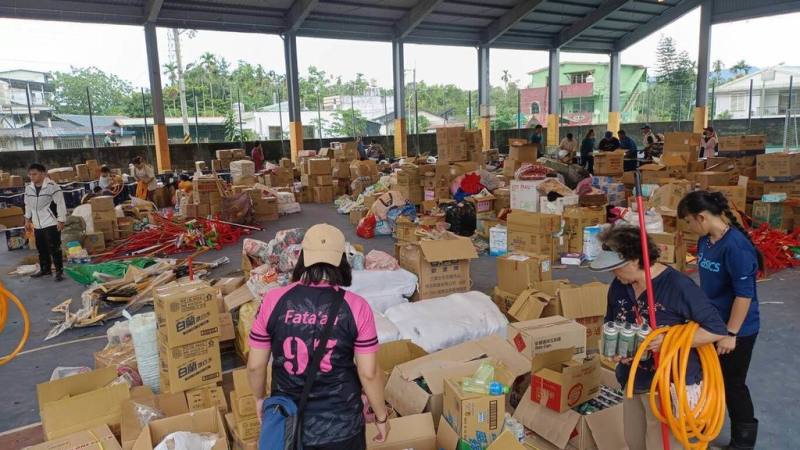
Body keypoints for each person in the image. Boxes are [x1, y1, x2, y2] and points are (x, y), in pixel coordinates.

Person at [247, 224, 390, 449]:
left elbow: (255, 366)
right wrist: (381, 416)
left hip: (289, 425)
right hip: (342, 427)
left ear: (303, 257)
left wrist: (259, 398)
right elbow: (369, 373)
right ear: (341, 259)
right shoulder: (356, 307)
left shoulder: (273, 300)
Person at [590, 225, 728, 450]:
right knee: (634, 441)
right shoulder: (619, 285)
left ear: (635, 260)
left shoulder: (677, 286)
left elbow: (716, 330)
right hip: (633, 380)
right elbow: (611, 321)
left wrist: (669, 341)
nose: (612, 274)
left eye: (616, 268)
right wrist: (618, 350)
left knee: (660, 445)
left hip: (668, 383)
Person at [677, 191, 762, 450]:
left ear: (701, 217)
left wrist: (731, 333)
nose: (689, 229)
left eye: (689, 223)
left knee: (732, 384)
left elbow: (744, 296)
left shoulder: (736, 247)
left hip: (738, 328)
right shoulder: (706, 241)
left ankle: (743, 441)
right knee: (705, 376)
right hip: (711, 322)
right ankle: (704, 421)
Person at [24, 163, 67, 282]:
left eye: (35, 174)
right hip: (37, 224)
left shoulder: (52, 186)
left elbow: (60, 203)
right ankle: (45, 269)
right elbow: (27, 205)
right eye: (30, 174)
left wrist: (61, 220)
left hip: (51, 222)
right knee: (41, 248)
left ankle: (59, 271)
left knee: (54, 247)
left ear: (43, 173)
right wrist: (27, 220)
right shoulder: (29, 188)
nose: (31, 177)